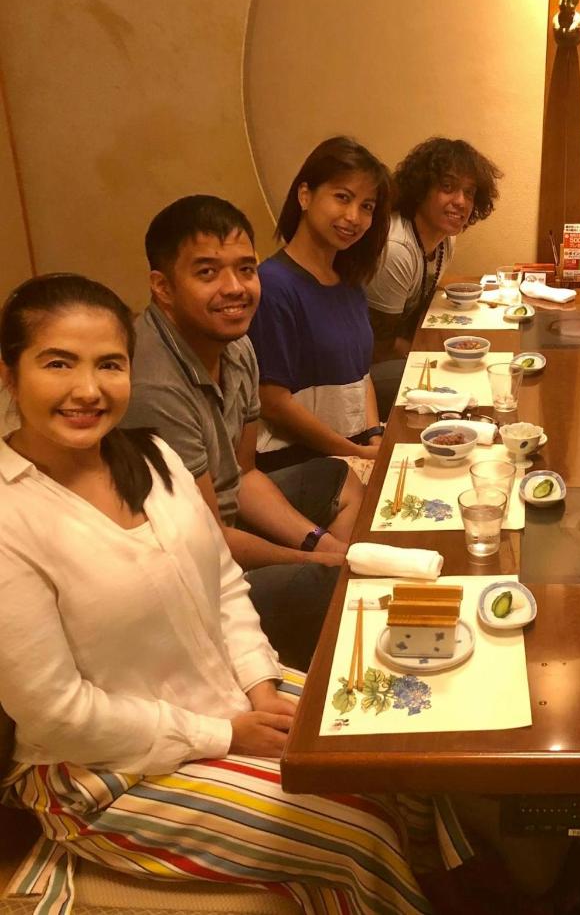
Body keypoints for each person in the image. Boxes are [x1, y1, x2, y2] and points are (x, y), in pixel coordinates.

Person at [0, 274, 470, 914]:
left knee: (400, 746)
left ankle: (445, 892)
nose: (88, 389)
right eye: (58, 363)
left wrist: (260, 687)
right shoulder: (11, 516)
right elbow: (57, 712)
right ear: (9, 373)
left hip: (230, 697)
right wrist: (224, 732)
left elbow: (222, 583)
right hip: (103, 773)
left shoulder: (154, 458)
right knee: (359, 834)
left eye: (109, 364)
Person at [123, 195, 361, 667]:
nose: (235, 288)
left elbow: (244, 475)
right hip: (184, 568)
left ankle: (299, 645)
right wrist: (318, 563)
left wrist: (323, 543)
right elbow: (208, 540)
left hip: (223, 523)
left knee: (341, 480)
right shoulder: (153, 383)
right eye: (207, 272)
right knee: (333, 588)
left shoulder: (237, 345)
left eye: (246, 269)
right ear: (163, 287)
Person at [248, 136, 390, 472]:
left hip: (351, 448)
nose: (354, 217)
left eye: (367, 206)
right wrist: (353, 452)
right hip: (299, 462)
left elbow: (361, 374)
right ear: (305, 195)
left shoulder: (349, 281)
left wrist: (374, 435)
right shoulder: (274, 284)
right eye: (343, 197)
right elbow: (273, 402)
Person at [365, 137, 502, 415]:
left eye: (470, 192)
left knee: (480, 362)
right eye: (448, 187)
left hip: (392, 352)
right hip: (363, 372)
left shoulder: (444, 240)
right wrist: (440, 354)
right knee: (465, 377)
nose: (461, 202)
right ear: (421, 188)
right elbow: (378, 347)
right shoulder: (396, 248)